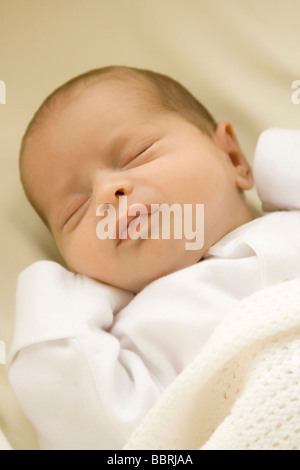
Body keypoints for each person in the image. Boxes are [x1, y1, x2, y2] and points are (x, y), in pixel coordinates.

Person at [8, 66, 300, 449]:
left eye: (135, 156)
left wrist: (272, 166)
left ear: (231, 156)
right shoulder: (132, 341)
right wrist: (60, 312)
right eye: (75, 211)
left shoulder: (288, 223)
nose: (107, 192)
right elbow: (102, 431)